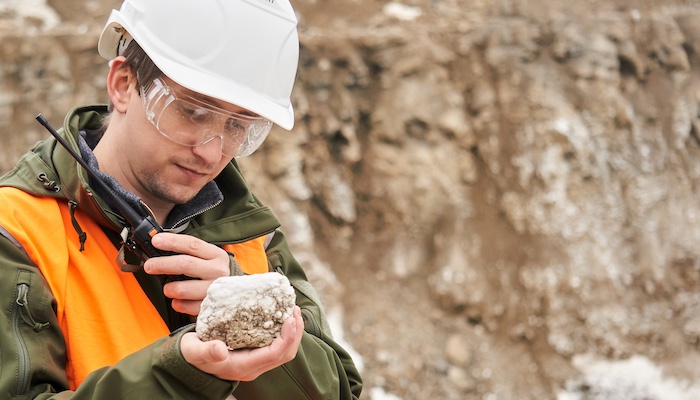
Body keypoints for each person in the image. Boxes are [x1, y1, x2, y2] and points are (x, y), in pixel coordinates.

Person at [0, 0, 363, 398]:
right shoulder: (16, 233)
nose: (212, 153)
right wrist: (179, 374)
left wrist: (251, 316)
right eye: (191, 111)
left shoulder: (248, 235)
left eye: (239, 125)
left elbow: (337, 391)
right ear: (124, 85)